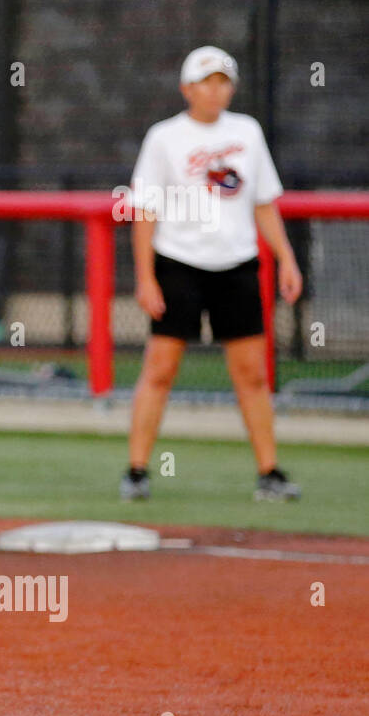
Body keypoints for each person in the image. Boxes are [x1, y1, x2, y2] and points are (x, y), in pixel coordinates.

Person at [122, 45, 303, 503]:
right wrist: (146, 277)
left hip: (237, 265)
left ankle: (269, 472)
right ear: (187, 88)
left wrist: (285, 256)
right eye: (207, 80)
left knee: (251, 374)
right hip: (178, 263)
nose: (216, 89)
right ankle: (138, 470)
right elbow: (145, 210)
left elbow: (263, 200)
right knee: (161, 368)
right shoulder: (165, 137)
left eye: (224, 80)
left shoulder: (247, 132)